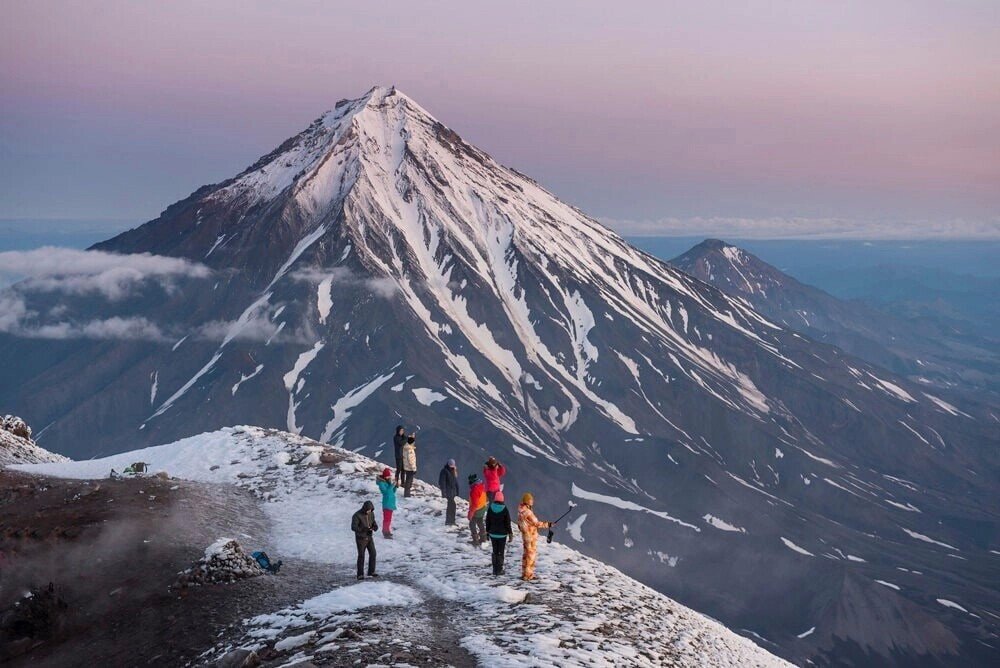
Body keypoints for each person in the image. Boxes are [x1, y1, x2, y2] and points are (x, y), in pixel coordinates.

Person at [517, 492, 553, 582]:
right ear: (527, 501)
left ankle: (524, 573)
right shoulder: (528, 512)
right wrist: (548, 524)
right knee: (531, 556)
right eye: (530, 500)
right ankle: (528, 575)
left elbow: (520, 524)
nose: (532, 501)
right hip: (530, 536)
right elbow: (536, 523)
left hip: (525, 536)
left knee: (526, 555)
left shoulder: (521, 511)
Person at [484, 491, 513, 576]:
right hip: (502, 535)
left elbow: (487, 521)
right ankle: (499, 570)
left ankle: (494, 569)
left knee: (495, 551)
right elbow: (508, 523)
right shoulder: (505, 509)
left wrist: (487, 532)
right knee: (501, 552)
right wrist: (510, 533)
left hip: (493, 534)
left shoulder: (490, 508)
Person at [351, 500, 379, 579]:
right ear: (364, 508)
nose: (369, 511)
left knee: (373, 553)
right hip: (361, 539)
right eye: (368, 510)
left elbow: (373, 522)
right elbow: (353, 527)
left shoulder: (371, 513)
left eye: (371, 510)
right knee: (361, 556)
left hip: (369, 537)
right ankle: (360, 574)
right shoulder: (357, 515)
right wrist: (363, 529)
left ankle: (371, 571)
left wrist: (375, 526)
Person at [376, 467, 398, 538]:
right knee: (387, 519)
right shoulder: (381, 483)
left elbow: (392, 491)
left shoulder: (387, 482)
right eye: (388, 476)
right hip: (387, 503)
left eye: (390, 476)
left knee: (389, 519)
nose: (389, 477)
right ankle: (385, 532)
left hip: (391, 503)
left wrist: (395, 487)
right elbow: (386, 492)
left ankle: (387, 531)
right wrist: (392, 485)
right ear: (385, 476)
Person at [467, 473, 487, 546]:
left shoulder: (474, 490)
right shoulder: (481, 485)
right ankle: (483, 537)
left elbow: (474, 504)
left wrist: (470, 513)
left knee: (472, 524)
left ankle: (475, 540)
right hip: (483, 507)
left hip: (477, 509)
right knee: (480, 522)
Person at [438, 459, 460, 525]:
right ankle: (449, 521)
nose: (451, 466)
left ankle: (450, 521)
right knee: (452, 506)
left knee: (452, 506)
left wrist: (457, 491)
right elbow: (442, 482)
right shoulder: (444, 471)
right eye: (451, 465)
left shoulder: (453, 471)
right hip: (448, 492)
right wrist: (444, 493)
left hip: (452, 492)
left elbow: (456, 482)